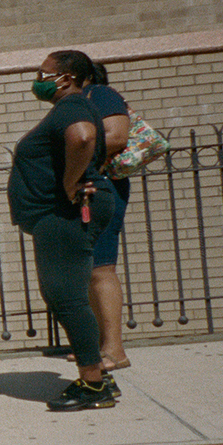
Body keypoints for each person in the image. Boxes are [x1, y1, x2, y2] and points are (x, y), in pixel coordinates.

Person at [8, 51, 120, 411]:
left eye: (44, 72)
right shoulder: (71, 106)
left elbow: (84, 138)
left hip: (64, 213)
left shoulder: (72, 106)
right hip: (63, 213)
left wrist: (71, 183)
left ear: (67, 77)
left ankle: (93, 385)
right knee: (66, 295)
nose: (37, 78)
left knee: (65, 296)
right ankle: (100, 375)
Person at [85, 62, 134, 370]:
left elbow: (117, 137)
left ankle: (115, 351)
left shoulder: (100, 94)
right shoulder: (87, 99)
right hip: (91, 189)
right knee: (92, 270)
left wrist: (78, 158)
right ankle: (102, 345)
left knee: (102, 269)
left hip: (104, 189)